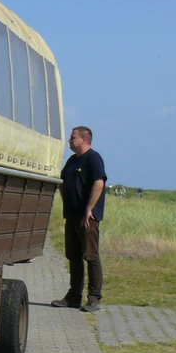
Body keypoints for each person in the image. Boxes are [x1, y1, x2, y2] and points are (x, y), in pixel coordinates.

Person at [53, 126, 106, 312]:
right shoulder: (71, 161)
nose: (69, 140)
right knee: (73, 256)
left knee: (90, 256)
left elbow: (99, 182)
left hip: (87, 218)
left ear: (83, 140)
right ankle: (73, 296)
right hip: (72, 216)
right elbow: (62, 181)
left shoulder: (93, 158)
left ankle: (93, 298)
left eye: (72, 137)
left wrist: (89, 208)